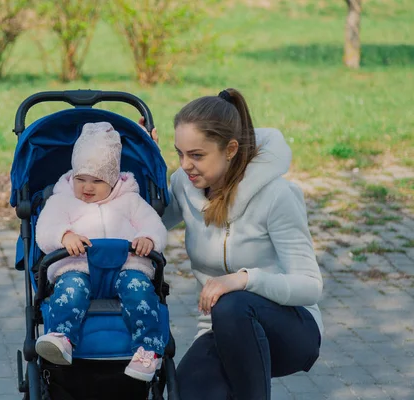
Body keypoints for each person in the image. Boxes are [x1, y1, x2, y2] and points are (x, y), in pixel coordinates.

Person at [141, 88, 323, 399]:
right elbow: (145, 221)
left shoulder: (276, 196)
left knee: (233, 303)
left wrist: (244, 279)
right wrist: (144, 157)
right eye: (179, 153)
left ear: (230, 149)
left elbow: (310, 286)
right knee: (183, 393)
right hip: (220, 330)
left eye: (197, 155)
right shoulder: (185, 184)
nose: (185, 165)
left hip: (291, 330)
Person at [34, 122, 168, 382]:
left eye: (97, 180)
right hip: (78, 267)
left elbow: (155, 226)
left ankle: (148, 349)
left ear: (114, 178)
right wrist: (64, 235)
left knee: (140, 290)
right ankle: (62, 337)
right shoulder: (61, 200)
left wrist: (148, 238)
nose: (87, 187)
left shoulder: (130, 201)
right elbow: (45, 228)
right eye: (81, 179)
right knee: (69, 289)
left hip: (126, 268)